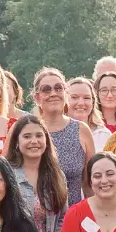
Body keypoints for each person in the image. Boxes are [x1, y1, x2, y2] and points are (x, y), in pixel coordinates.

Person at [30, 68, 90, 206]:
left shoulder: (81, 130)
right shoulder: (25, 130)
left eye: (58, 88)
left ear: (66, 93)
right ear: (37, 98)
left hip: (73, 218)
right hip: (33, 221)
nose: (53, 93)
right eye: (46, 89)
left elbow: (89, 184)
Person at [66, 76, 104, 152]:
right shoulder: (54, 133)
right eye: (74, 97)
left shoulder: (103, 134)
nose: (81, 103)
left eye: (86, 98)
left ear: (93, 102)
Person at [93, 69, 116, 143]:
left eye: (114, 90)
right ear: (96, 94)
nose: (110, 95)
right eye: (104, 90)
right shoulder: (90, 125)